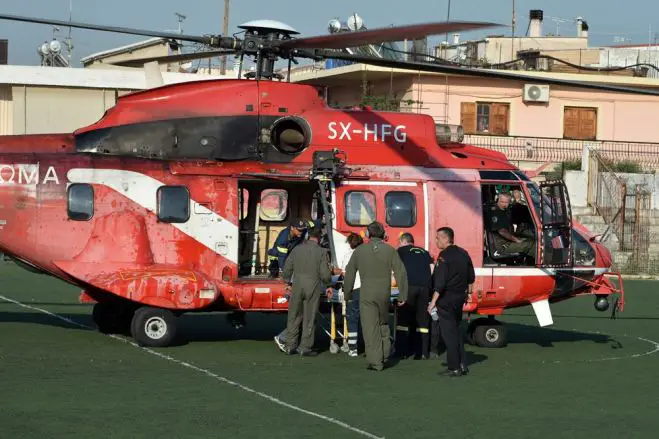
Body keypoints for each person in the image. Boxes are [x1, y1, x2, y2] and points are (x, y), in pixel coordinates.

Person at [343, 221, 408, 371]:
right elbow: (401, 272)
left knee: (370, 328)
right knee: (382, 324)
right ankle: (385, 355)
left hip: (367, 293)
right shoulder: (390, 250)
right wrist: (403, 294)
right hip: (384, 293)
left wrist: (347, 294)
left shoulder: (359, 251)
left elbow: (350, 273)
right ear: (383, 235)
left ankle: (376, 362)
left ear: (367, 234)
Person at [427, 227, 475, 377]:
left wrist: (432, 302)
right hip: (459, 298)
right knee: (456, 330)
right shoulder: (463, 253)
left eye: (438, 238)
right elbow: (471, 277)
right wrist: (469, 293)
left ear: (446, 239)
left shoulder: (444, 256)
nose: (436, 241)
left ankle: (454, 367)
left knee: (449, 335)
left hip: (446, 299)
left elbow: (439, 283)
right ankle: (462, 363)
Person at [279, 227, 332, 356]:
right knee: (309, 316)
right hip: (313, 286)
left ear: (308, 236)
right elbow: (325, 274)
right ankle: (305, 347)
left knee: (294, 316)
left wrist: (287, 282)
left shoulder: (297, 249)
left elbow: (287, 268)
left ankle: (290, 346)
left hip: (297, 285)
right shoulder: (322, 252)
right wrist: (329, 284)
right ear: (319, 238)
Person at [395, 233, 434, 359]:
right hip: (425, 287)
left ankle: (401, 352)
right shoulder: (425, 252)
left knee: (403, 319)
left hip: (409, 286)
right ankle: (422, 352)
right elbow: (432, 269)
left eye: (399, 242)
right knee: (423, 321)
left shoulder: (401, 251)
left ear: (403, 242)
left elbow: (396, 268)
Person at [334, 232, 364, 357]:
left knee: (352, 319)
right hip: (367, 289)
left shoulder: (348, 256)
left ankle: (353, 348)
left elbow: (345, 274)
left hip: (353, 289)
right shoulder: (367, 255)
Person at [489, 192, 535, 260]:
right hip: (502, 247)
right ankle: (532, 265)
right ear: (498, 200)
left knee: (531, 239)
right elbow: (502, 232)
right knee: (532, 244)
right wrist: (517, 240)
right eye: (502, 202)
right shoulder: (495, 212)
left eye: (506, 202)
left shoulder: (504, 211)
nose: (504, 204)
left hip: (508, 242)